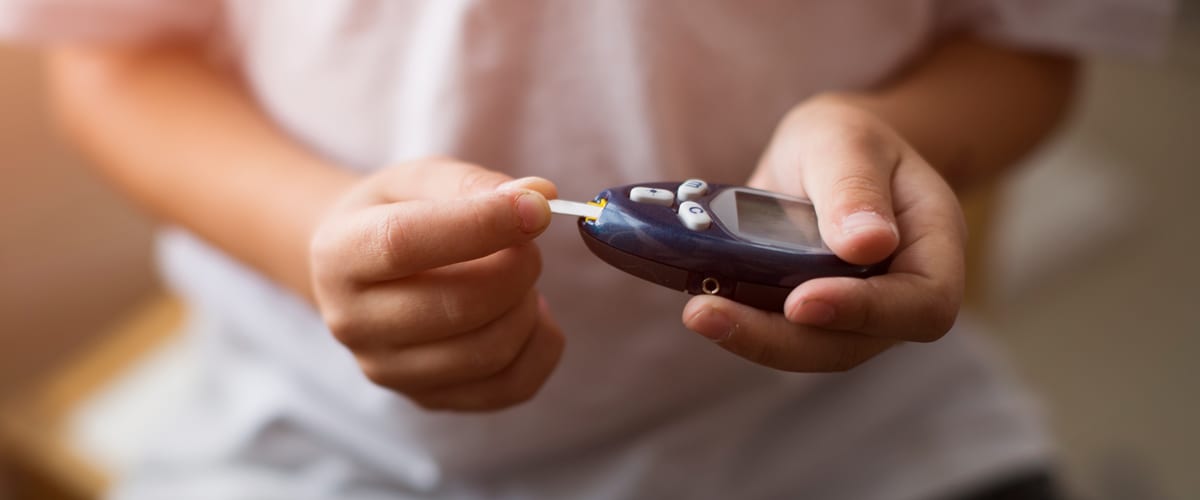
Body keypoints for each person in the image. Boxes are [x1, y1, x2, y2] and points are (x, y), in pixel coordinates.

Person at [0, 1, 1172, 499]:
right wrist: (316, 227)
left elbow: (1030, 40)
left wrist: (895, 143)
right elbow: (110, 59)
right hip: (313, 444)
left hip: (856, 447)